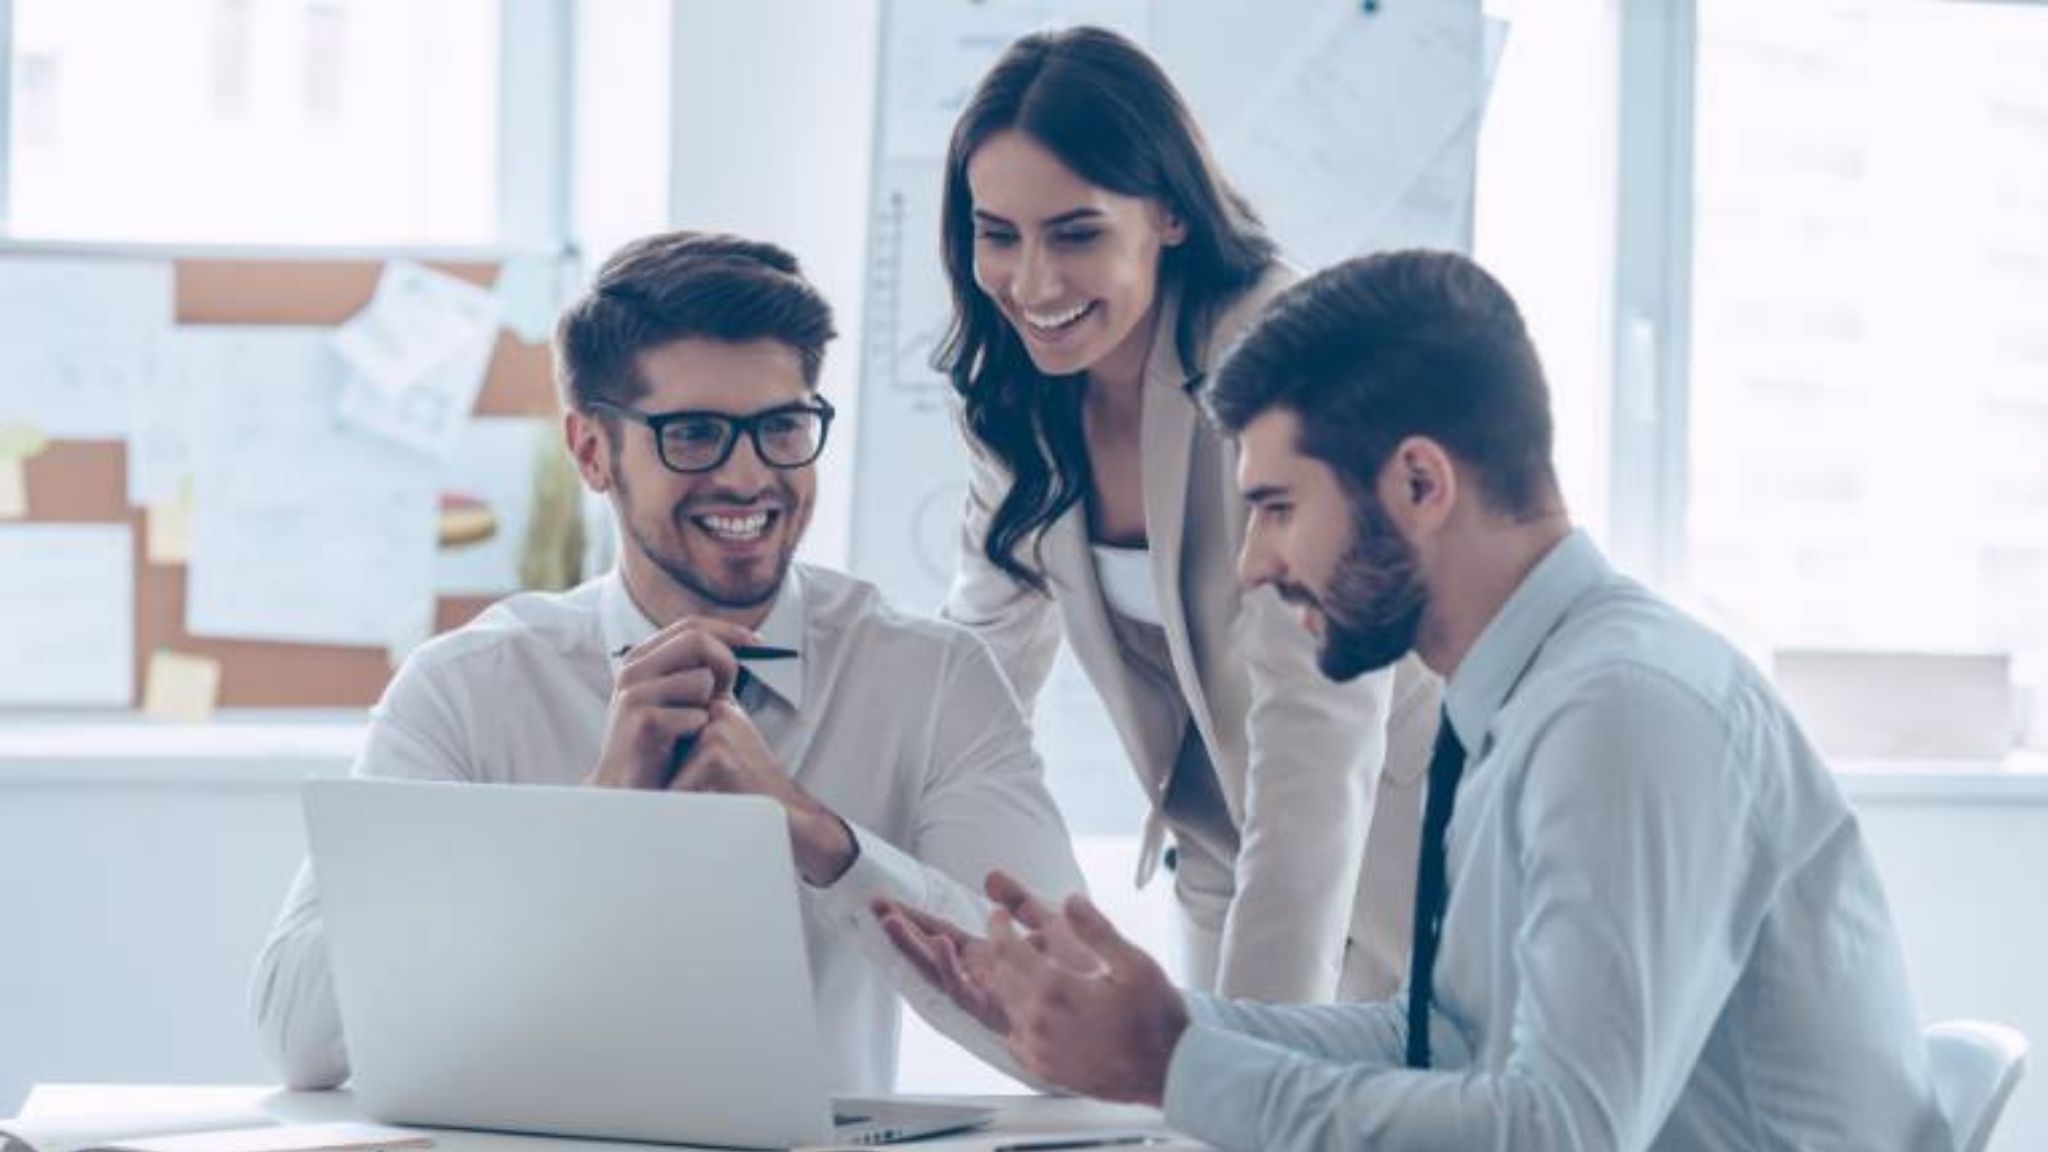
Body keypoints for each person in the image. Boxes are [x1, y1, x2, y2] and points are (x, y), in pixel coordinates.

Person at [878, 250, 1951, 1151]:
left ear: (1419, 485)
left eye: (1277, 507)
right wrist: (1148, 1026)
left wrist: (1175, 1066)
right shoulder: (1525, 698)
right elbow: (1443, 1037)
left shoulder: (1619, 714)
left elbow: (1556, 1131)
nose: (1253, 564)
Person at [250, 231, 1084, 1094]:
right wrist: (596, 819)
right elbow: (302, 1035)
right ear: (590, 451)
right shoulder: (469, 689)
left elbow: (1082, 1029)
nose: (749, 474)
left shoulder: (932, 682)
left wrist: (817, 836)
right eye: (694, 434)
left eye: (783, 427)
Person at [936, 24, 1436, 1005]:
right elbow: (973, 691)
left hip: (1407, 855)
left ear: (1166, 213)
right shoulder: (1021, 406)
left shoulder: (1283, 362)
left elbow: (1316, 739)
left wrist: (1254, 1070)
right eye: (998, 235)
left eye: (1074, 233)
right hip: (1221, 860)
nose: (1031, 285)